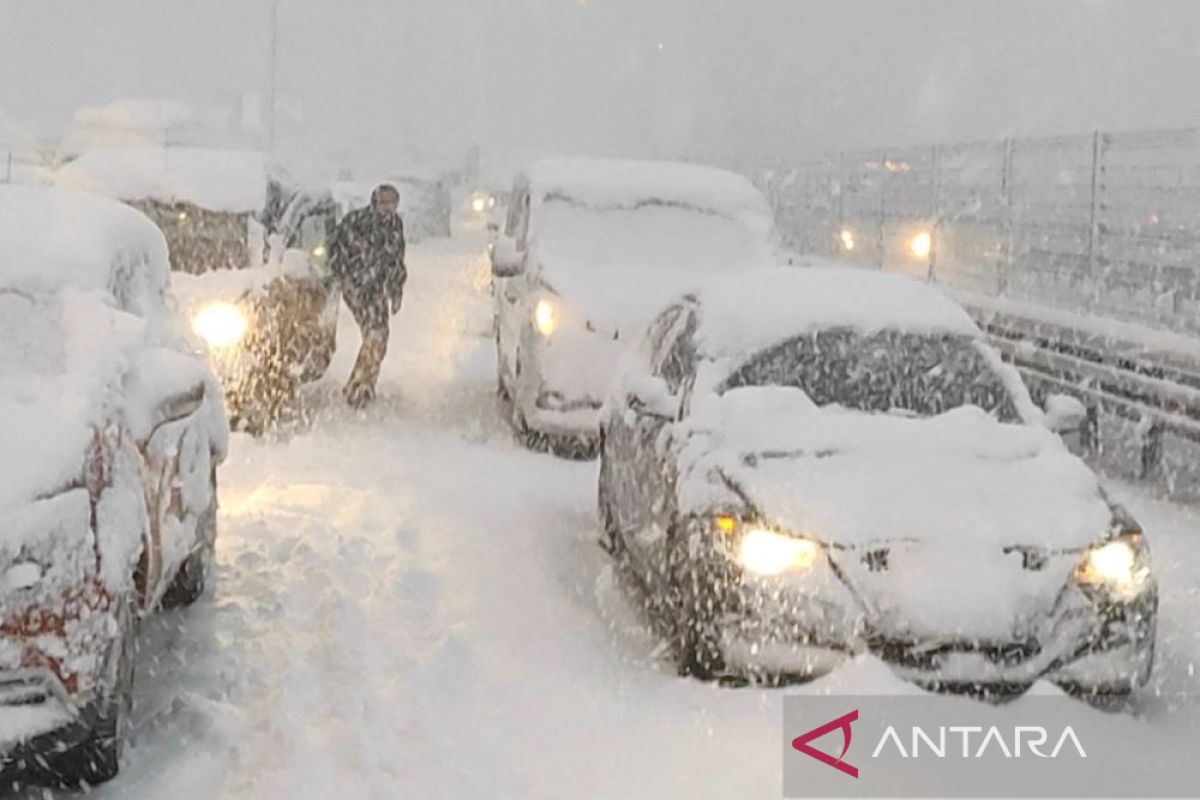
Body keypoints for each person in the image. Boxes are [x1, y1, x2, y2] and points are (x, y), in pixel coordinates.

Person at [328, 184, 407, 408]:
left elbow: (397, 259)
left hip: (378, 289)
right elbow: (336, 250)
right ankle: (358, 388)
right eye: (383, 202)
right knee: (375, 334)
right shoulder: (357, 222)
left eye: (392, 202)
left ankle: (364, 384)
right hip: (358, 288)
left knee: (380, 338)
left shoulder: (395, 225)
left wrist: (396, 289)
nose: (388, 207)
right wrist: (345, 278)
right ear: (374, 201)